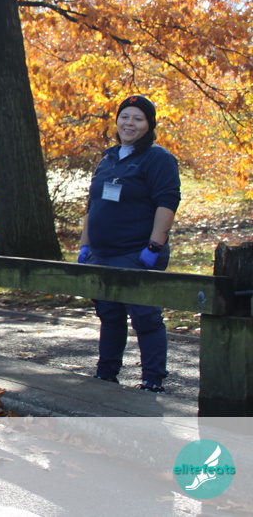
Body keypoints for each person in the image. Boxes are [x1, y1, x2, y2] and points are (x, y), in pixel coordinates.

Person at [79, 95, 181, 393]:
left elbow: (167, 203)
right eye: (125, 116)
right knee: (109, 316)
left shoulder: (158, 158)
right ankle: (106, 374)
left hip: (136, 253)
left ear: (149, 125)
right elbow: (93, 205)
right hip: (101, 254)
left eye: (138, 118)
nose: (129, 123)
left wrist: (153, 247)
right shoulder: (108, 158)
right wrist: (85, 247)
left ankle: (152, 379)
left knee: (145, 317)